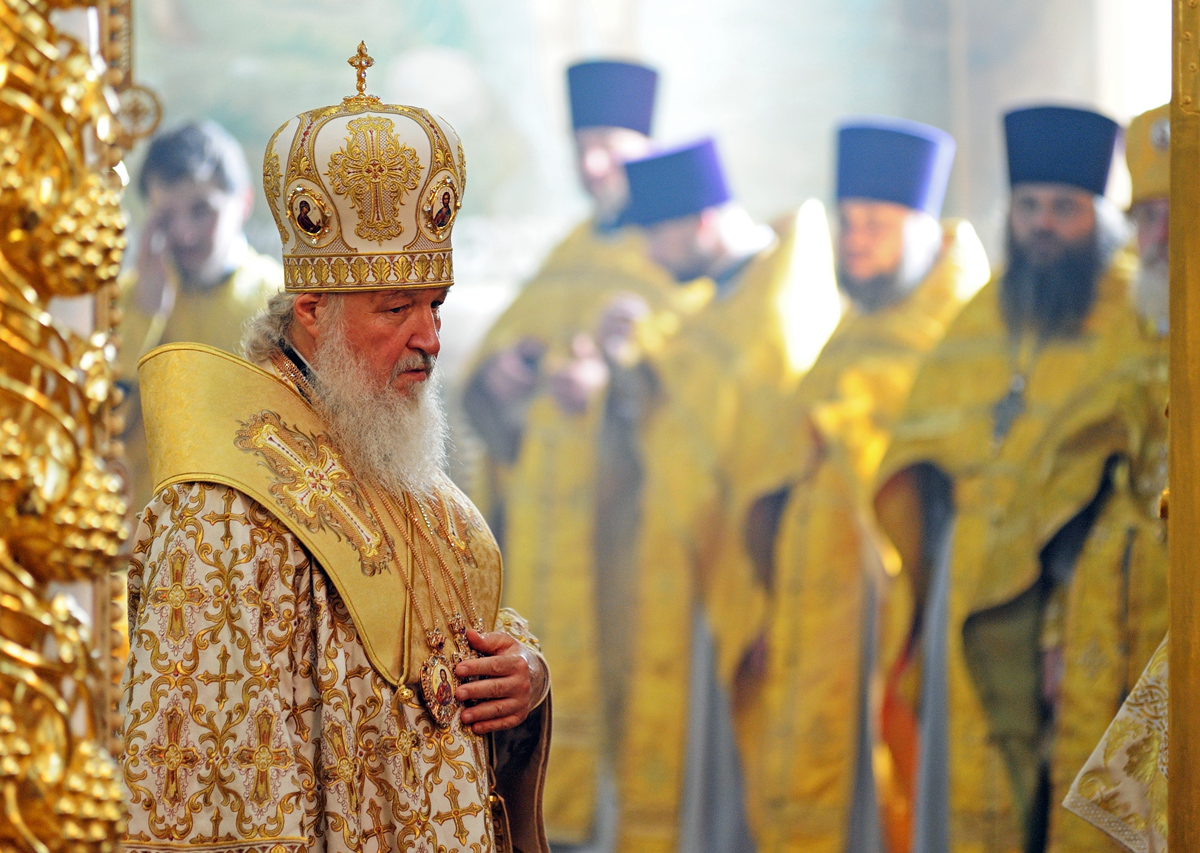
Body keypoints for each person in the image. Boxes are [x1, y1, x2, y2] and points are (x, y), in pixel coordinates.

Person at [120, 51, 551, 853]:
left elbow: (458, 658)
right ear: (312, 312)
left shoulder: (402, 467)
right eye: (397, 308)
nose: (430, 337)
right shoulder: (223, 513)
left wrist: (524, 679)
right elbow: (206, 796)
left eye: (436, 305)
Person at [872, 105, 1158, 853]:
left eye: (1065, 209)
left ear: (1098, 216)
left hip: (1071, 591)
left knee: (1053, 786)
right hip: (968, 591)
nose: (1043, 225)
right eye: (1029, 207)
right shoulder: (985, 309)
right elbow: (915, 440)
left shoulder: (1134, 311)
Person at [717, 117, 988, 853]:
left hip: (886, 624)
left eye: (877, 222)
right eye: (849, 221)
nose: (856, 238)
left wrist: (846, 432)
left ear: (925, 227)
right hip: (815, 614)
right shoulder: (853, 328)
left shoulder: (961, 331)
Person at [462, 59, 705, 849]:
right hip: (548, 532)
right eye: (583, 145)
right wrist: (499, 374)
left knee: (629, 695)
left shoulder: (671, 246)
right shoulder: (570, 247)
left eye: (611, 144)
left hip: (629, 535)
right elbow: (496, 359)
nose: (596, 162)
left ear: (647, 143)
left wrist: (616, 379)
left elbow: (696, 373)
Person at [614, 137, 840, 852]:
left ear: (702, 221)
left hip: (754, 581)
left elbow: (763, 452)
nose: (651, 255)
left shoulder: (772, 308)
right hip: (698, 576)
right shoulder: (723, 300)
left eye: (658, 233)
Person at [1061, 103, 1172, 853]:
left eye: (1176, 214)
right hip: (1107, 604)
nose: (1154, 240)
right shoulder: (1124, 327)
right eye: (1145, 217)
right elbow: (1062, 479)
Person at [117, 120, 283, 511]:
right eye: (167, 216)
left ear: (243, 202)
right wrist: (143, 312)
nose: (186, 233)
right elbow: (100, 428)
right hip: (148, 539)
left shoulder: (283, 305)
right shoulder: (127, 298)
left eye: (201, 210)